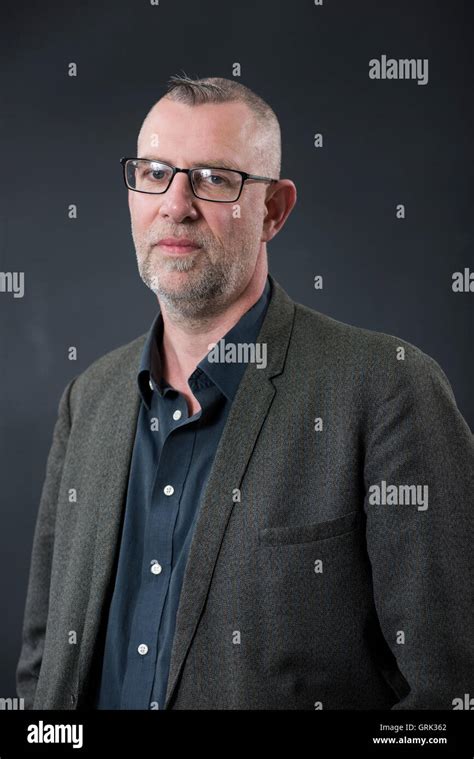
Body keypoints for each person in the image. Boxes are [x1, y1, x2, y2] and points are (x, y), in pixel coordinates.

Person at [16, 74, 474, 710]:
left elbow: (448, 696)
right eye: (155, 172)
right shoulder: (87, 401)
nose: (176, 204)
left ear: (274, 211)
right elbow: (44, 673)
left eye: (213, 178)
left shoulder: (386, 391)